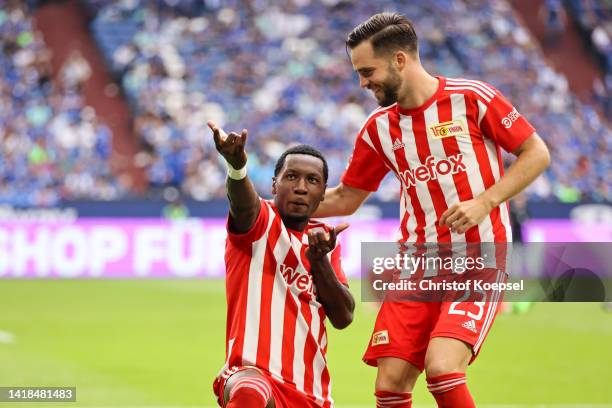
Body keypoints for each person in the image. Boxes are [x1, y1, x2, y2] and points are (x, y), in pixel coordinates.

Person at [314, 12, 551, 408]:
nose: (362, 82)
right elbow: (346, 197)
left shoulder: (472, 98)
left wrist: (485, 201)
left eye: (367, 70)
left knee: (442, 367)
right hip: (416, 265)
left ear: (400, 60)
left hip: (480, 256)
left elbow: (536, 153)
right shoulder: (378, 129)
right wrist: (262, 208)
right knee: (390, 384)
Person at [208, 120, 355, 408]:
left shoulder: (323, 241)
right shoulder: (260, 220)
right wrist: (237, 168)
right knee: (250, 390)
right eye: (291, 177)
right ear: (275, 184)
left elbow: (344, 317)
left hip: (310, 393)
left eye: (312, 180)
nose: (301, 188)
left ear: (324, 192)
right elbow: (243, 204)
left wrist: (319, 262)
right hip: (251, 376)